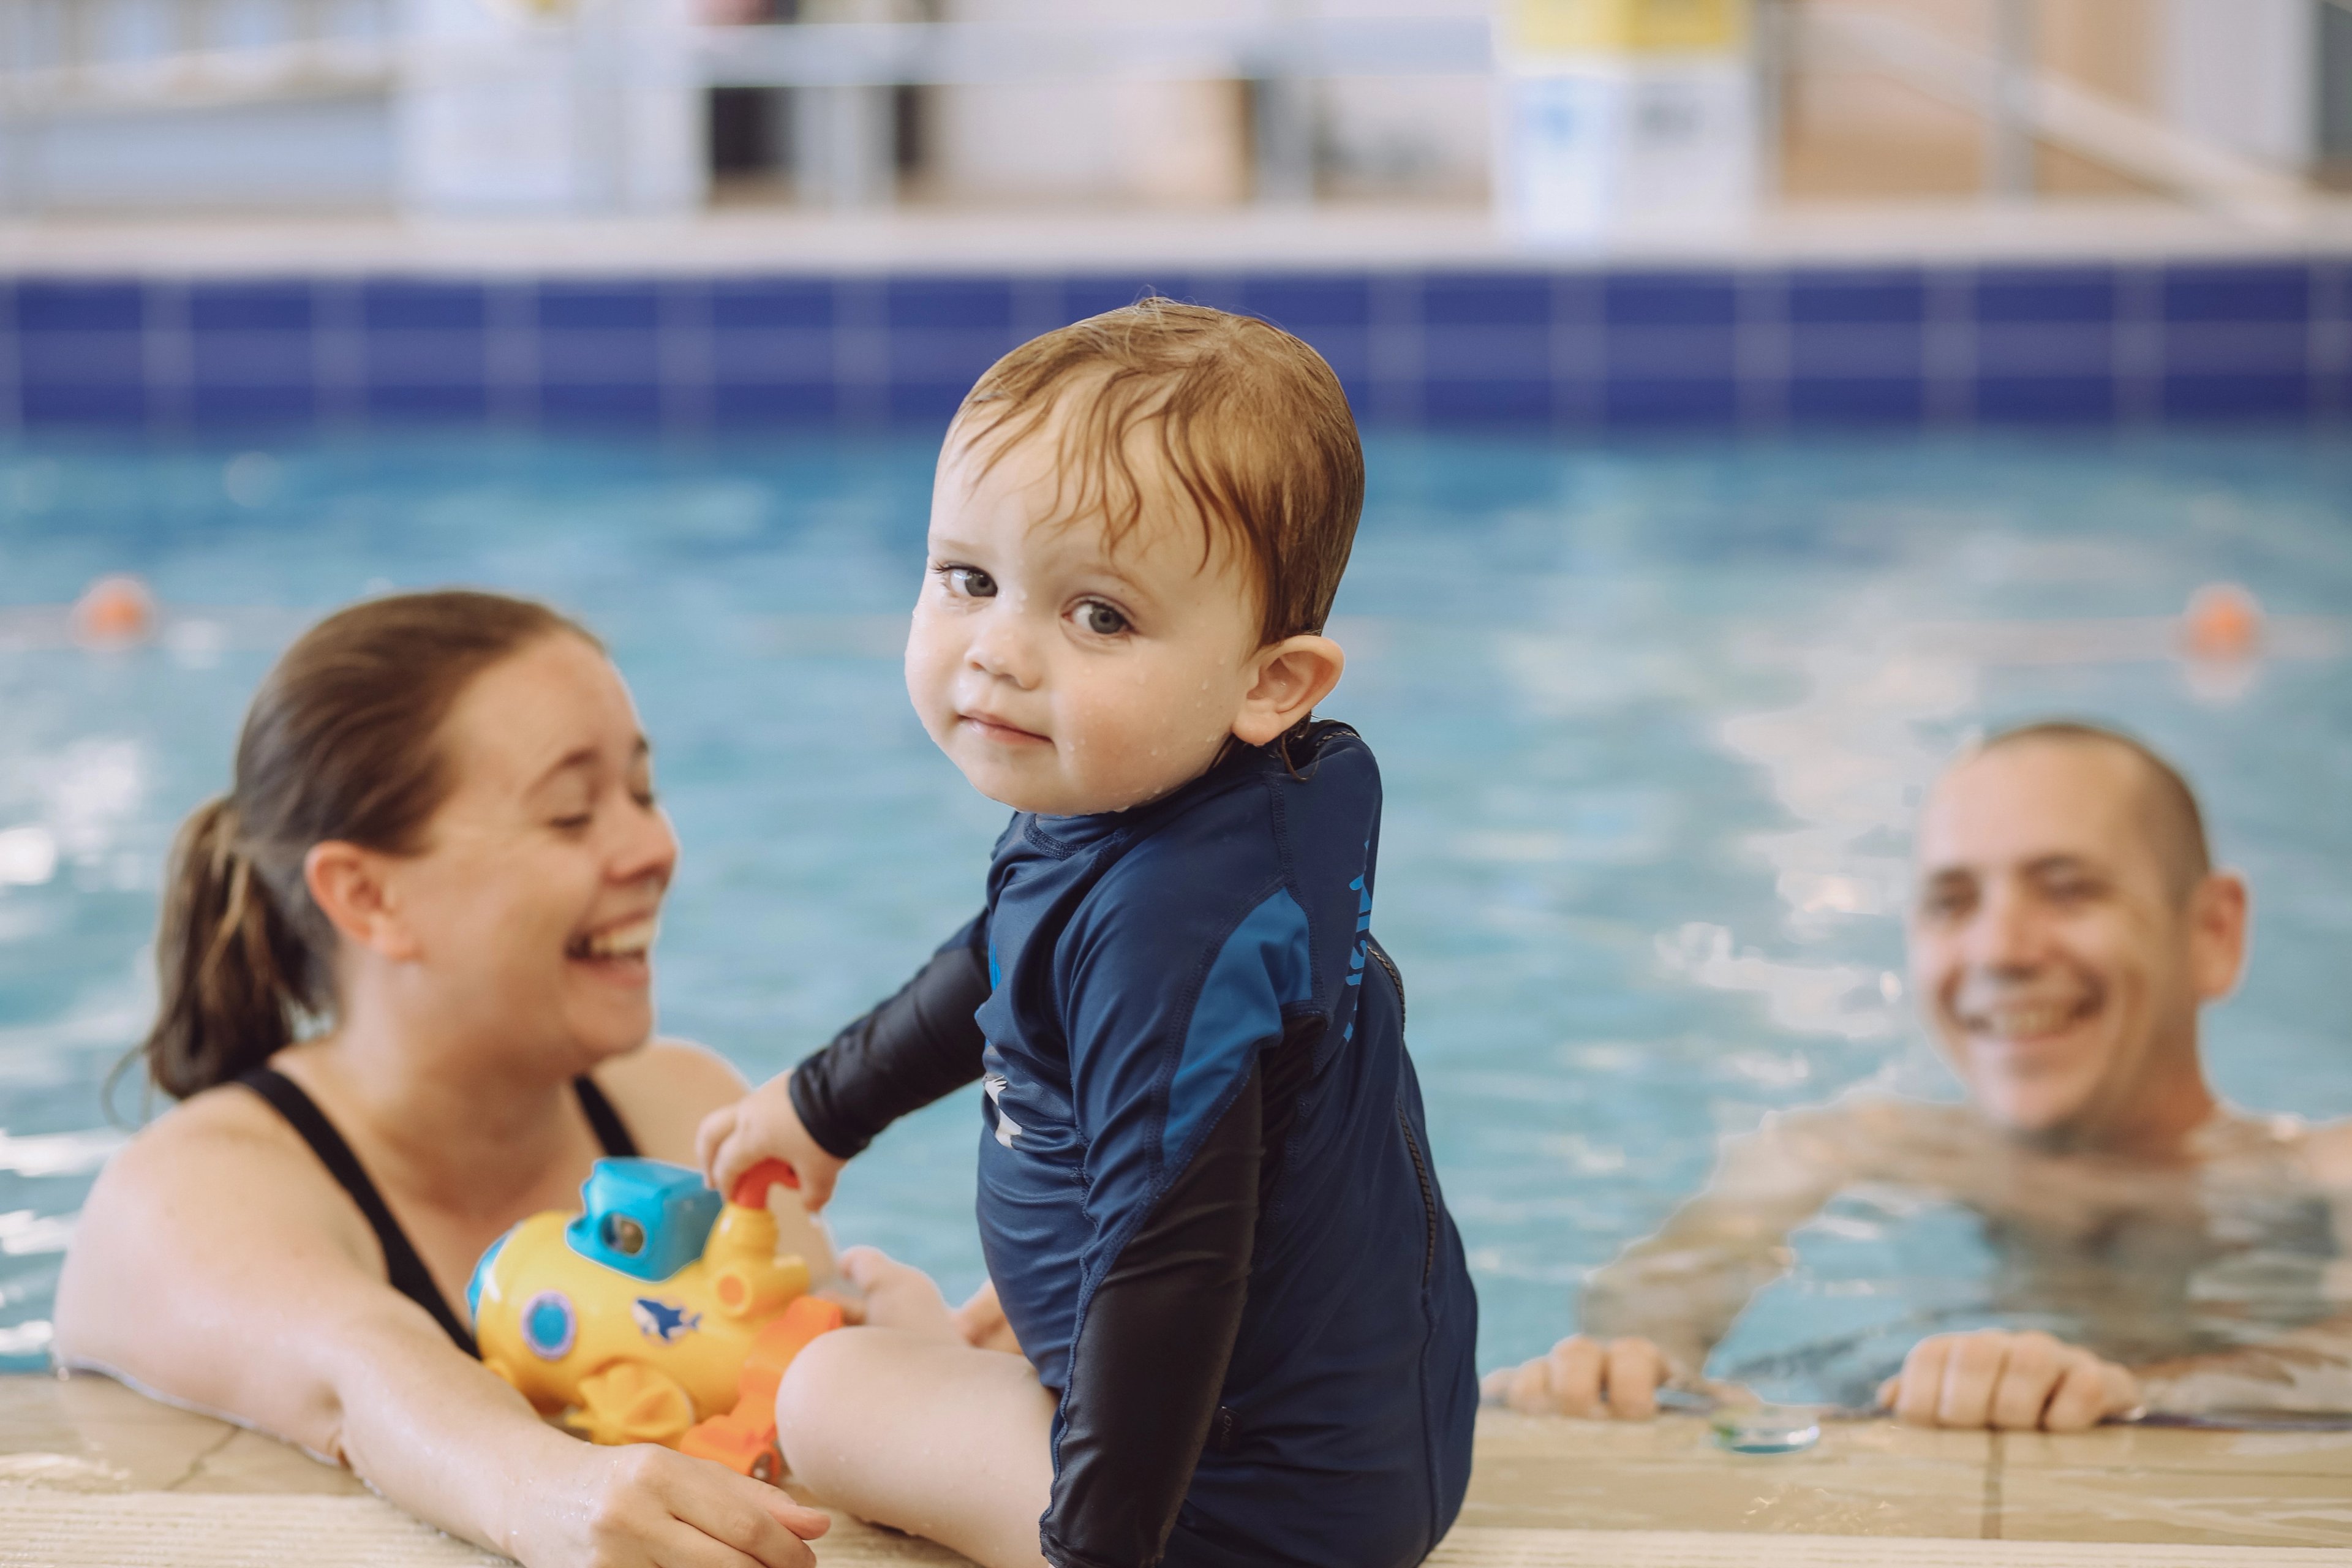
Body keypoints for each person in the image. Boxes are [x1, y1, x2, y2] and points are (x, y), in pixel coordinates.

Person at [698, 300, 1480, 1568]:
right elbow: (1001, 957)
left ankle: (960, 1389)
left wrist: (1096, 1548)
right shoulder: (1167, 819)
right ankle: (975, 1373)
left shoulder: (1172, 938)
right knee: (922, 1347)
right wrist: (823, 1103)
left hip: (1233, 1513)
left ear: (1269, 684)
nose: (999, 650)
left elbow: (1170, 1263)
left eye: (1100, 615)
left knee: (822, 1393)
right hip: (1332, 1445)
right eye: (969, 578)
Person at [53, 591, 839, 1568]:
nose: (655, 848)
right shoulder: (182, 1194)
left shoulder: (681, 1108)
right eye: (569, 813)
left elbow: (811, 1376)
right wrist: (548, 1487)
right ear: (370, 896)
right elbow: (363, 1371)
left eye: (641, 794)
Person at [1490, 721, 2352, 1432]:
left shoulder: (2324, 1174)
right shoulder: (1845, 1150)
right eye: (1952, 902)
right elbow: (1651, 1303)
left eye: (2067, 889)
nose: (2001, 950)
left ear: (2212, 935)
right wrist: (1630, 1370)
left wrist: (2134, 1394)